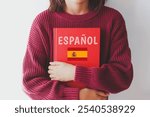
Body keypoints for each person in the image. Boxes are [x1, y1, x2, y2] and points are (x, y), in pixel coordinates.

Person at [23, 0, 133, 100]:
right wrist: (78, 96)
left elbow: (122, 76)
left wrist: (75, 73)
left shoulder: (112, 19)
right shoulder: (43, 22)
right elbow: (31, 83)